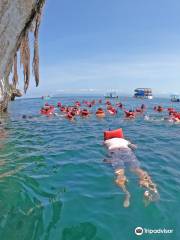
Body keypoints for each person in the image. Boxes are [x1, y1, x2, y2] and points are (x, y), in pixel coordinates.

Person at [104, 130, 159, 207]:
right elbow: (134, 147)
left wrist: (106, 160)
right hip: (127, 151)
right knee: (136, 169)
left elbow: (106, 149)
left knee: (120, 173)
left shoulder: (106, 141)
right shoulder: (125, 140)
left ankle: (127, 193)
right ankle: (152, 186)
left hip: (114, 151)